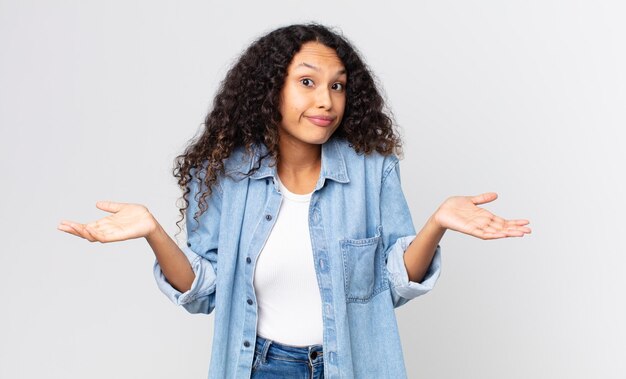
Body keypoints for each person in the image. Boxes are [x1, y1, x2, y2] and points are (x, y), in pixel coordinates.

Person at [58, 23, 531, 379]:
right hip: (260, 367)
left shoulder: (372, 169)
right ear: (271, 90)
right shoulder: (226, 174)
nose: (326, 100)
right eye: (307, 82)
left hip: (354, 365)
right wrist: (153, 231)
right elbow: (204, 291)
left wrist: (436, 224)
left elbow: (392, 285)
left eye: (337, 85)